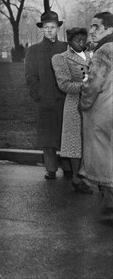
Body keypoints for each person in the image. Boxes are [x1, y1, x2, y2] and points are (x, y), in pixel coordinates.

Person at [25, 11, 69, 180]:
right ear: (41, 29)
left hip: (65, 99)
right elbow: (30, 76)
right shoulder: (34, 50)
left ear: (58, 28)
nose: (49, 30)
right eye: (46, 27)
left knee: (65, 135)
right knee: (47, 137)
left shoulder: (66, 48)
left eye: (53, 27)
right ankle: (50, 168)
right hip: (46, 100)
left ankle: (68, 167)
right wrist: (39, 94)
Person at [79, 12, 113, 215]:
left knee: (104, 159)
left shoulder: (103, 52)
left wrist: (84, 104)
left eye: (96, 27)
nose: (91, 31)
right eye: (91, 26)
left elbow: (92, 85)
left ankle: (111, 204)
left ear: (109, 30)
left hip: (103, 113)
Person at [51, 28, 93, 194]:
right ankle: (77, 178)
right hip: (75, 104)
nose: (81, 43)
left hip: (94, 103)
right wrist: (87, 86)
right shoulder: (60, 58)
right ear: (69, 41)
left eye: (83, 39)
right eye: (77, 40)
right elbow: (64, 85)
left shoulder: (94, 55)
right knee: (75, 142)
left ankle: (97, 177)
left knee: (93, 141)